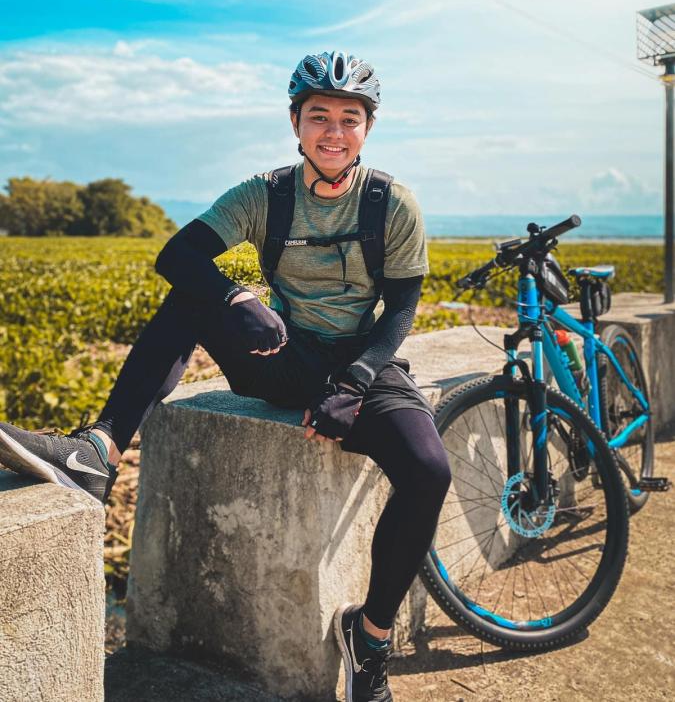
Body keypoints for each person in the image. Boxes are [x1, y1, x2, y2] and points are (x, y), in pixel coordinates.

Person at [0, 51, 451, 702]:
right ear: (294, 122)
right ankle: (97, 449)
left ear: (367, 128)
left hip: (364, 364)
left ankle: (370, 637)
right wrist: (240, 299)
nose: (333, 131)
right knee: (192, 296)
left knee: (426, 469)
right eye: (317, 116)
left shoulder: (391, 203)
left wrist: (354, 382)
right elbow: (176, 254)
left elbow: (401, 309)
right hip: (289, 354)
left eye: (348, 119)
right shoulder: (264, 195)